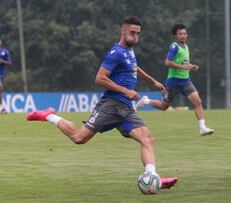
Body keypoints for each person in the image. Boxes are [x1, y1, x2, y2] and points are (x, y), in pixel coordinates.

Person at [26, 16, 177, 190]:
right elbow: (100, 78)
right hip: (111, 105)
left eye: (138, 34)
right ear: (123, 31)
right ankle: (48, 115)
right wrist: (125, 90)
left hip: (126, 108)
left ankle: (152, 177)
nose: (135, 37)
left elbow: (134, 67)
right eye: (132, 33)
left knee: (148, 139)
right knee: (79, 138)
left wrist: (152, 81)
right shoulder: (116, 52)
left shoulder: (129, 51)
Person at [135, 23, 214, 136]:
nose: (183, 36)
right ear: (175, 36)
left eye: (185, 33)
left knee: (198, 102)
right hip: (173, 82)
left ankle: (202, 128)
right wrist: (184, 67)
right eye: (180, 34)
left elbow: (183, 63)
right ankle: (146, 101)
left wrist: (191, 66)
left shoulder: (186, 47)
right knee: (164, 107)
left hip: (186, 81)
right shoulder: (174, 47)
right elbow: (167, 62)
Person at [0, 39, 12, 114]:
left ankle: (1, 108)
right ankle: (1, 107)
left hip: (1, 73)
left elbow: (9, 62)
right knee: (0, 88)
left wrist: (2, 61)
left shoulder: (5, 51)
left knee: (0, 90)